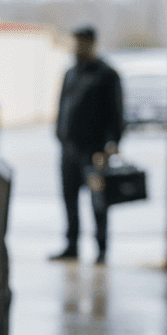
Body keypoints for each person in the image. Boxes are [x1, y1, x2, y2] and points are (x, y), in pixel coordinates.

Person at [50, 25, 125, 264]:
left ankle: (101, 248)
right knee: (69, 198)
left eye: (81, 43)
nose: (77, 48)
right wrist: (59, 135)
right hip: (69, 149)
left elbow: (116, 113)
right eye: (75, 43)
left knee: (98, 201)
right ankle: (72, 245)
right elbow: (62, 106)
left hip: (94, 151)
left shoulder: (107, 75)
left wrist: (110, 145)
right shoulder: (71, 73)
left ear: (92, 43)